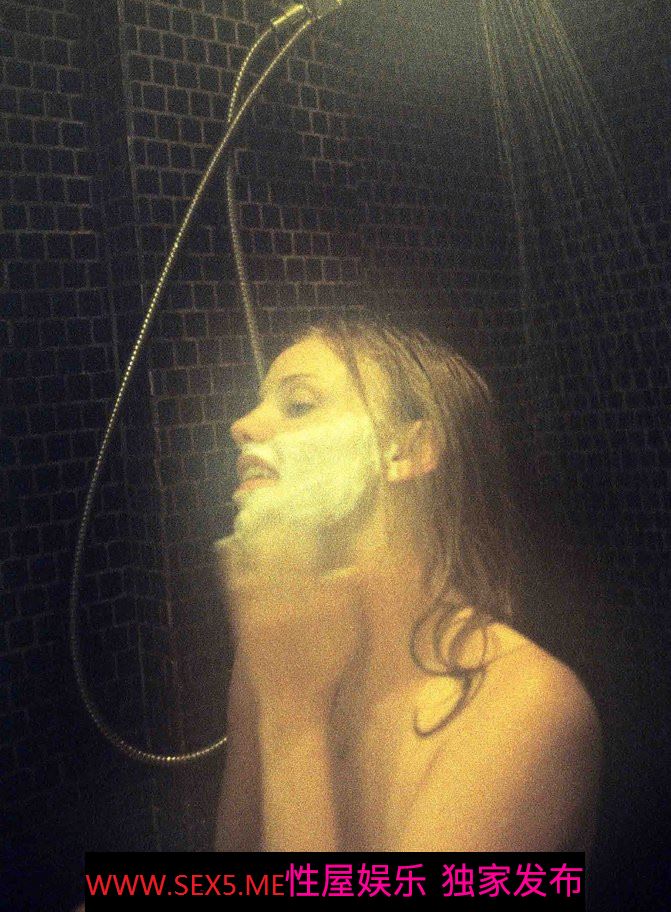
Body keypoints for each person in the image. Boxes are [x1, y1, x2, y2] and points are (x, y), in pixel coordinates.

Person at [213, 313, 602, 852]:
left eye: (299, 404)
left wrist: (293, 720)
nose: (241, 425)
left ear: (406, 449)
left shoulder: (529, 704)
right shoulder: (275, 652)